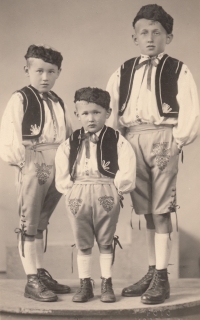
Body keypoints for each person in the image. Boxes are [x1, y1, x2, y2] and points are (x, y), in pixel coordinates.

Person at [106, 4, 199, 305]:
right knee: (145, 210)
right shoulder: (123, 70)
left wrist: (178, 141)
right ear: (134, 38)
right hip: (131, 140)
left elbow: (191, 107)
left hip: (163, 140)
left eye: (156, 33)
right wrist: (115, 144)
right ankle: (151, 271)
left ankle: (162, 276)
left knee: (161, 210)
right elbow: (111, 109)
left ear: (168, 37)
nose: (149, 38)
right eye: (143, 33)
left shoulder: (178, 68)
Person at [0, 44, 73, 302]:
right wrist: (24, 164)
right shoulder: (20, 98)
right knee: (28, 222)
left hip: (56, 161)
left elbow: (67, 133)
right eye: (39, 70)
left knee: (41, 220)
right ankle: (31, 279)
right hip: (32, 160)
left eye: (51, 72)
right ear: (27, 70)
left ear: (58, 73)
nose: (45, 77)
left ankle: (39, 272)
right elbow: (9, 137)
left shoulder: (57, 101)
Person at [55, 87, 136, 303]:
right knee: (82, 241)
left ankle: (106, 284)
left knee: (106, 240)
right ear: (77, 114)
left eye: (96, 112)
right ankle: (85, 284)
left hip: (105, 188)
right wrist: (68, 188)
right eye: (85, 113)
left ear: (108, 113)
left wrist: (118, 186)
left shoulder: (116, 139)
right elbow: (62, 165)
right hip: (78, 191)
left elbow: (127, 164)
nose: (91, 118)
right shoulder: (71, 142)